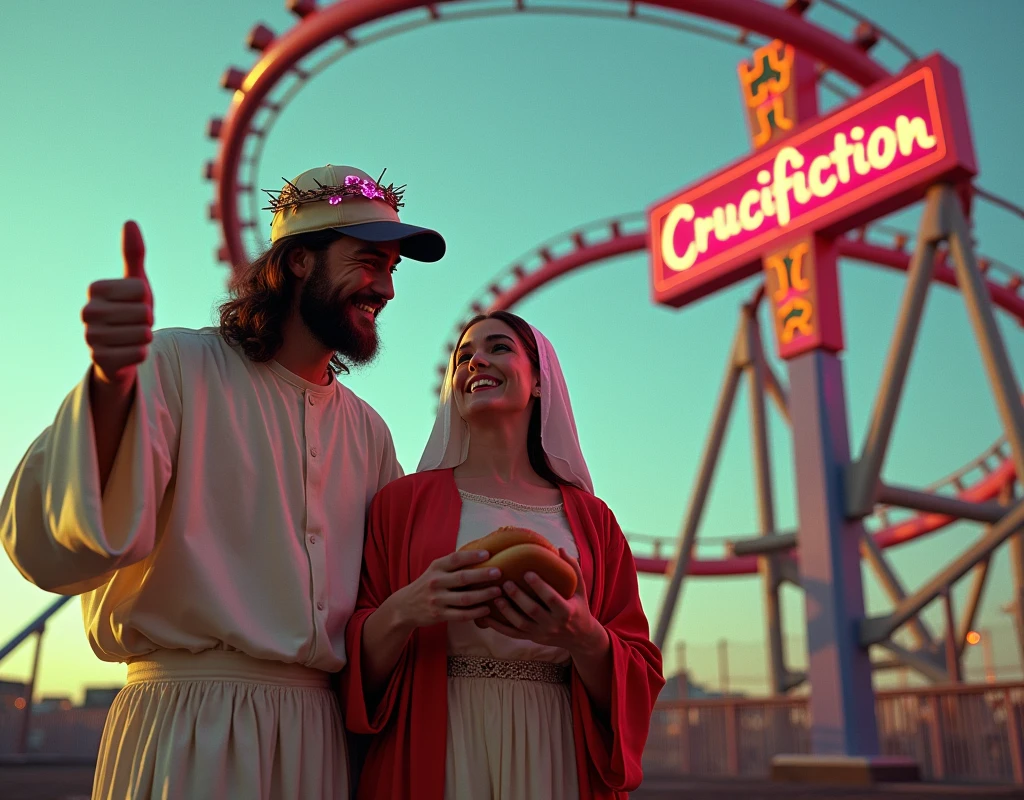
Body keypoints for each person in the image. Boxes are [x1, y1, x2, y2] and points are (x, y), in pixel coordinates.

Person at [0, 163, 445, 800]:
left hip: (322, 740)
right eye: (369, 261)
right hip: (186, 728)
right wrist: (106, 393)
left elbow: (389, 601)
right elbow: (58, 547)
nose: (387, 289)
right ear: (297, 262)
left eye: (393, 269)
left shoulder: (370, 433)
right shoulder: (176, 365)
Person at [341, 310, 664, 799]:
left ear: (539, 381)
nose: (475, 362)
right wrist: (407, 608)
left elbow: (638, 671)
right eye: (463, 356)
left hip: (557, 747)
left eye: (498, 348)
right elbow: (351, 663)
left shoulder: (594, 519)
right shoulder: (400, 504)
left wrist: (582, 635)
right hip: (437, 737)